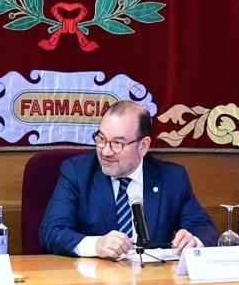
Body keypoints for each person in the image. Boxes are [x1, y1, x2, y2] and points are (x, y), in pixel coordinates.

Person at [39, 100, 217, 258]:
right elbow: (51, 232)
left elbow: (205, 229)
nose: (106, 151)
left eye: (118, 143)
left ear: (143, 146)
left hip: (153, 284)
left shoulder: (172, 179)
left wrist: (192, 240)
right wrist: (96, 244)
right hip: (94, 284)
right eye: (101, 139)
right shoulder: (78, 172)